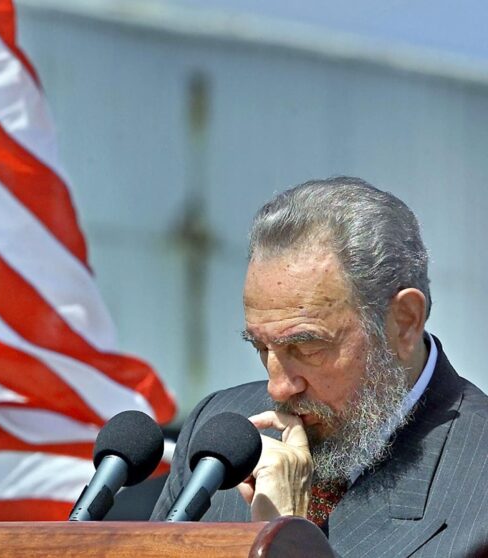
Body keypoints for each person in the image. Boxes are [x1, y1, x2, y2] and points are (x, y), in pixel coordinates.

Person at [151, 177, 488, 557]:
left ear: (405, 321)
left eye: (307, 347)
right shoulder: (220, 430)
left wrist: (286, 541)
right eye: (262, 347)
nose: (278, 389)